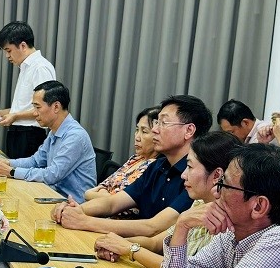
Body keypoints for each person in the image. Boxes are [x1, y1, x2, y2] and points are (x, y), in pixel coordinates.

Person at [52, 95, 213, 237]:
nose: (155, 130)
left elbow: (153, 228)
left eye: (163, 123)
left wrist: (85, 221)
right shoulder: (158, 166)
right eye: (156, 122)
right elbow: (113, 204)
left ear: (189, 130)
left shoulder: (197, 176)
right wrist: (74, 210)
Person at [94, 131, 241, 268]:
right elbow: (156, 243)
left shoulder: (229, 223)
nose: (183, 175)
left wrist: (129, 249)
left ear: (217, 175)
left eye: (190, 167)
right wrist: (116, 243)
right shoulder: (199, 203)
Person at [0, 81, 95, 200]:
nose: (34, 113)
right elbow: (35, 161)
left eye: (38, 107)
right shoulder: (54, 131)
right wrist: (6, 163)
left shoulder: (75, 136)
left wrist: (11, 172)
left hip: (73, 203)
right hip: (52, 194)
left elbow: (52, 175)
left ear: (56, 107)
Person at [0, 21, 56, 158]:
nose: (7, 56)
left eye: (8, 50)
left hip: (30, 136)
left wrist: (15, 116)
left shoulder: (40, 68)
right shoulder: (26, 67)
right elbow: (24, 106)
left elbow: (44, 108)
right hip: (18, 134)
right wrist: (0, 113)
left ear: (23, 46)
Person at [84, 107, 160, 202]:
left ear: (158, 135)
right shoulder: (136, 158)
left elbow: (121, 202)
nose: (137, 137)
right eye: (137, 130)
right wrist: (101, 193)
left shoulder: (155, 167)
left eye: (144, 132)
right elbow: (104, 185)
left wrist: (91, 194)